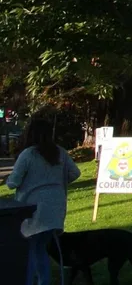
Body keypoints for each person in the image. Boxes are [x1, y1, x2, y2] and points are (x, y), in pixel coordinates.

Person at [5, 117, 80, 285]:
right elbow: (75, 173)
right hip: (55, 208)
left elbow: (13, 182)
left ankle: (30, 281)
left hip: (32, 209)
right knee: (41, 249)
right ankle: (43, 281)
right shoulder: (60, 152)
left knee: (30, 250)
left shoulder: (28, 154)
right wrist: (56, 184)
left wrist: (10, 181)